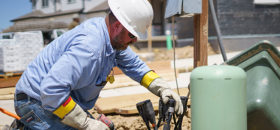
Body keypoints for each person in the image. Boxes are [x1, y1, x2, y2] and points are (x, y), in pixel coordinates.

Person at [14, 0, 183, 129]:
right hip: (35, 102)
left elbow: (135, 66)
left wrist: (162, 88)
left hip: (57, 98)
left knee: (106, 126)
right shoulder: (90, 49)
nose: (135, 40)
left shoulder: (111, 40)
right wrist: (86, 123)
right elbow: (52, 91)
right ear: (118, 26)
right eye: (132, 35)